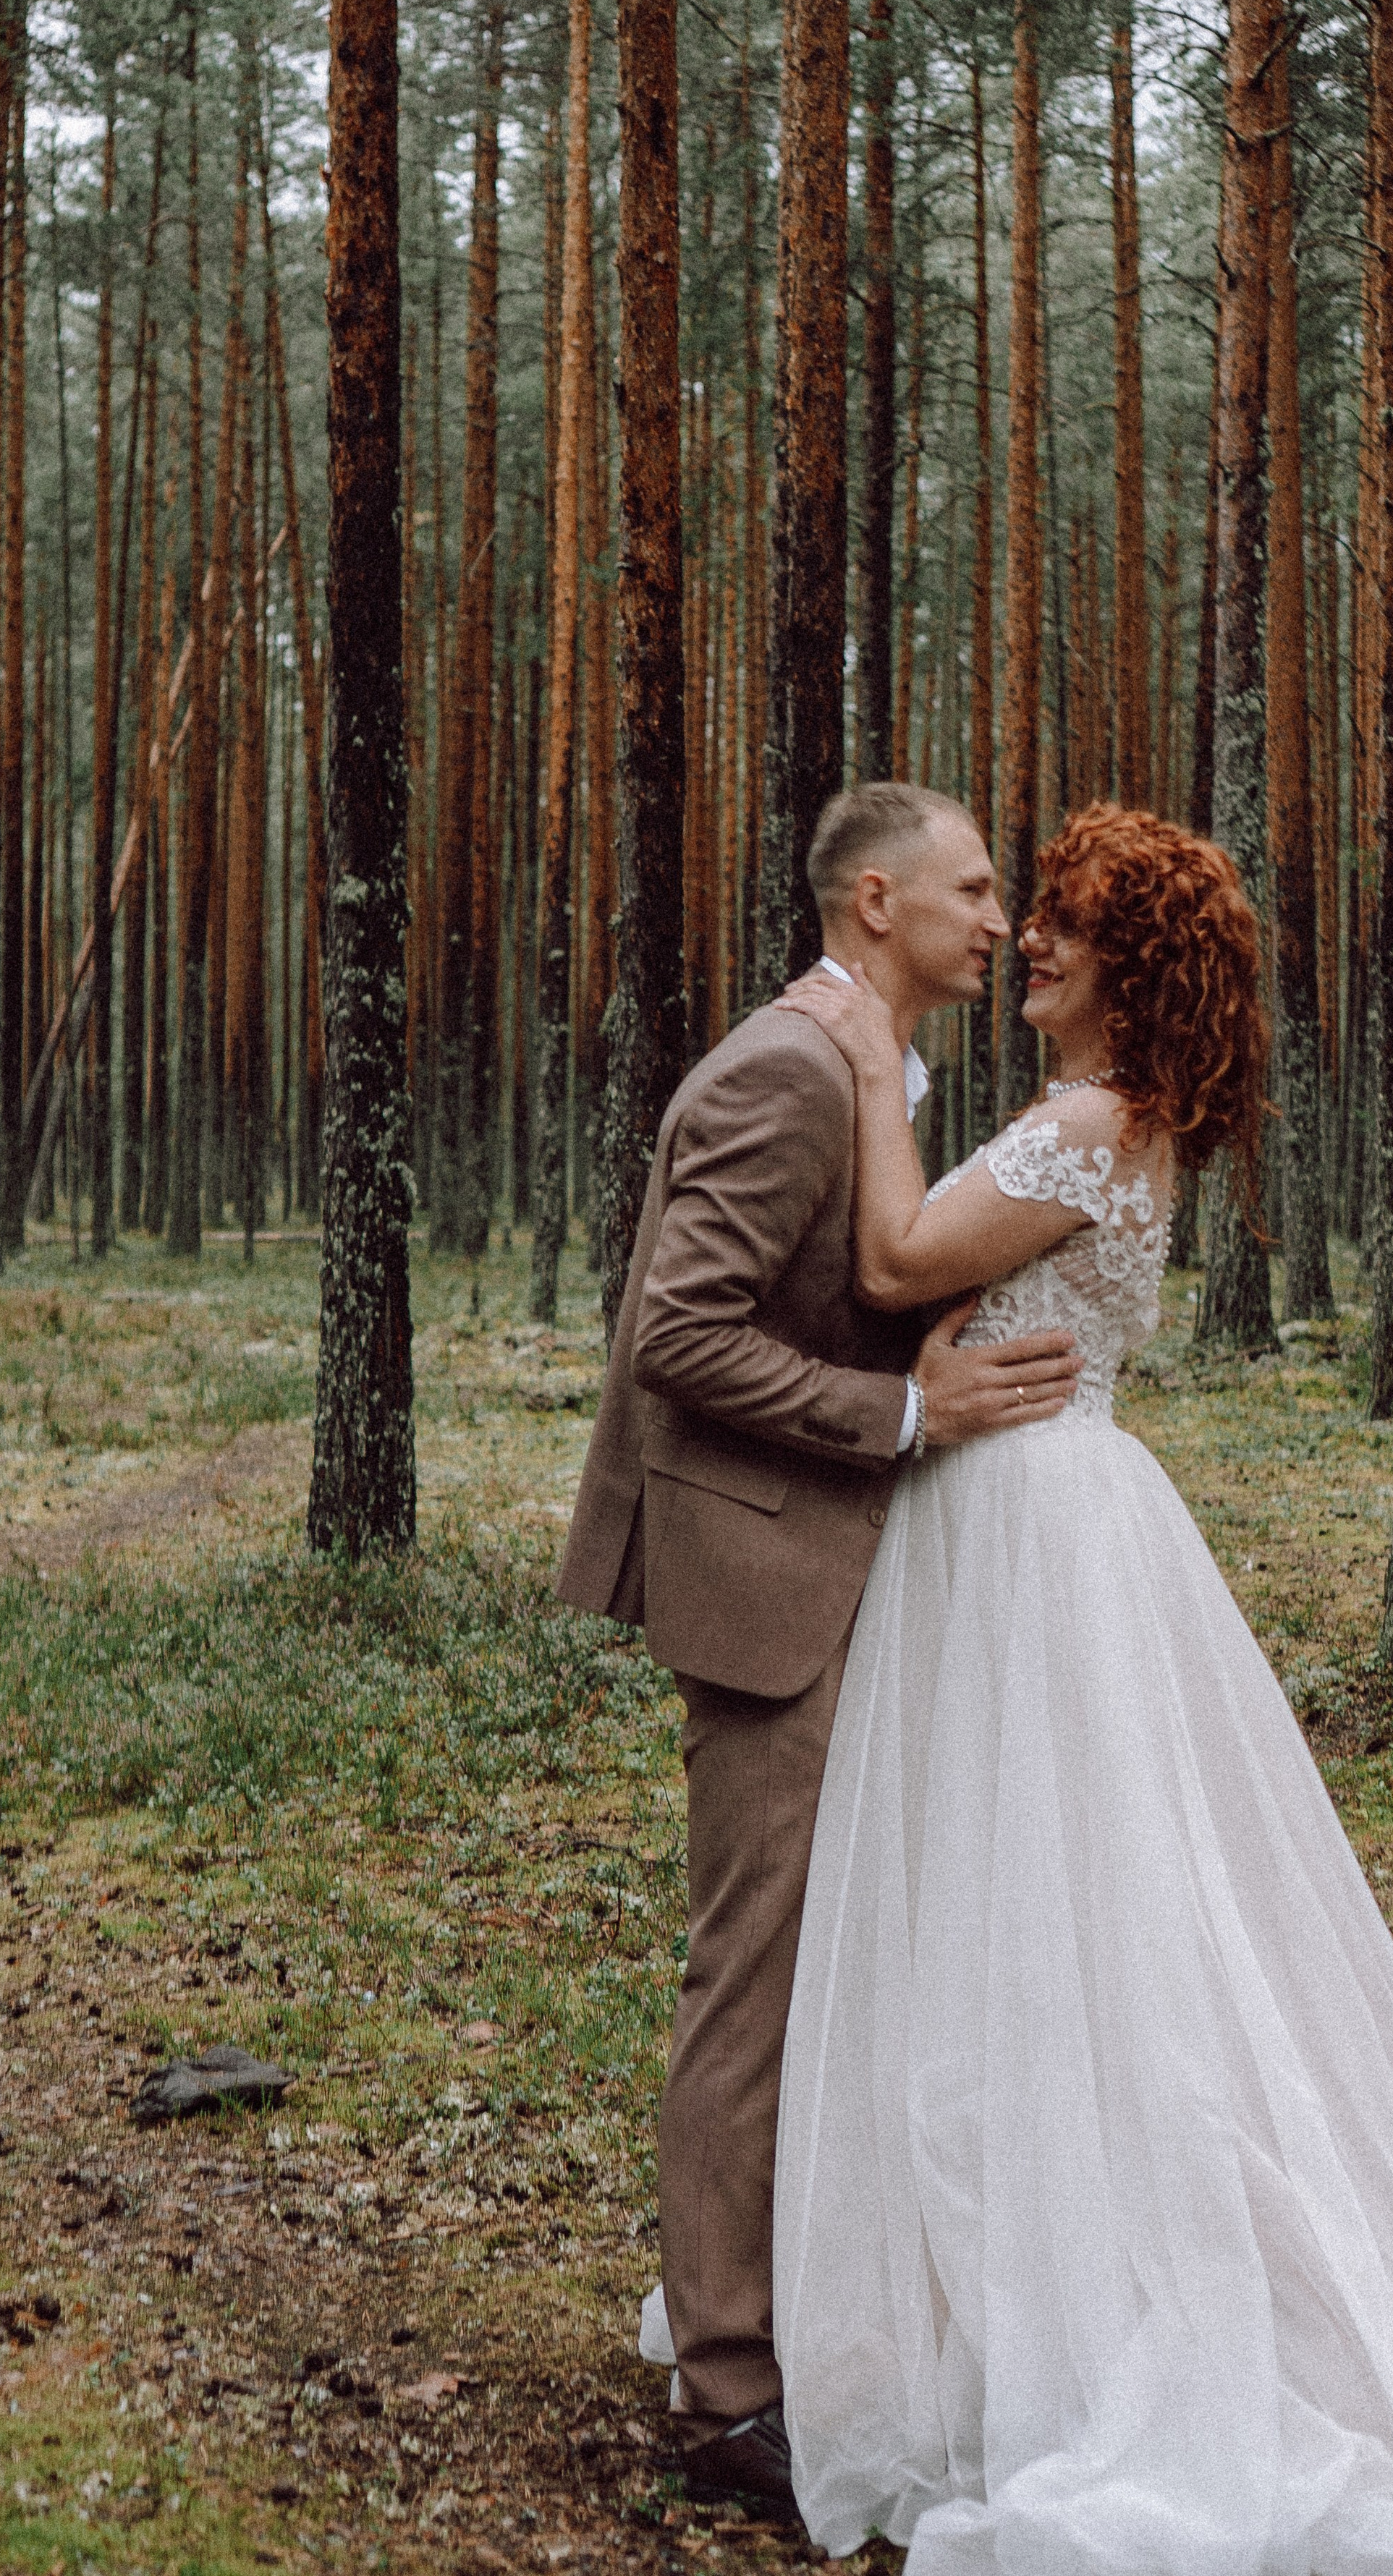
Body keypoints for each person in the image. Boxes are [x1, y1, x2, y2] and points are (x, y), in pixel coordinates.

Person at [769, 802, 1393, 2576]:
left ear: (1136, 966)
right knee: (1043, 1911)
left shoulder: (1088, 1125)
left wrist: (871, 1058)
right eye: (1022, 914)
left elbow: (889, 1265)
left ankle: (1075, 2310)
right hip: (1042, 1514)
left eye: (1069, 925)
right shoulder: (1110, 1123)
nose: (1030, 938)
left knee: (1052, 1913)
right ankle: (998, 2284)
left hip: (1028, 1531)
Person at [556, 782, 1085, 2516]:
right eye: (974, 888)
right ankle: (723, 2396)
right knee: (757, 1984)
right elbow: (675, 1339)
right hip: (763, 1579)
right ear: (875, 901)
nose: (1000, 920)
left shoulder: (877, 1066)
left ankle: (822, 2319)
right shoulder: (788, 1068)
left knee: (844, 1968)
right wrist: (903, 1408)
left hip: (853, 1568)